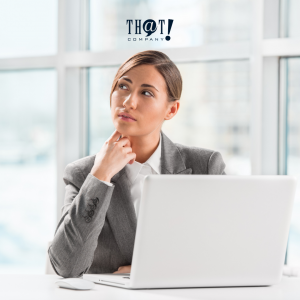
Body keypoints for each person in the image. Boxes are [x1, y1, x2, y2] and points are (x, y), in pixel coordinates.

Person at [48, 50, 226, 278]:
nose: (128, 102)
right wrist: (100, 176)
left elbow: (224, 251)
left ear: (171, 110)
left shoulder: (205, 167)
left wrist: (157, 271)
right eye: (123, 87)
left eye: (146, 93)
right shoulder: (83, 173)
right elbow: (66, 266)